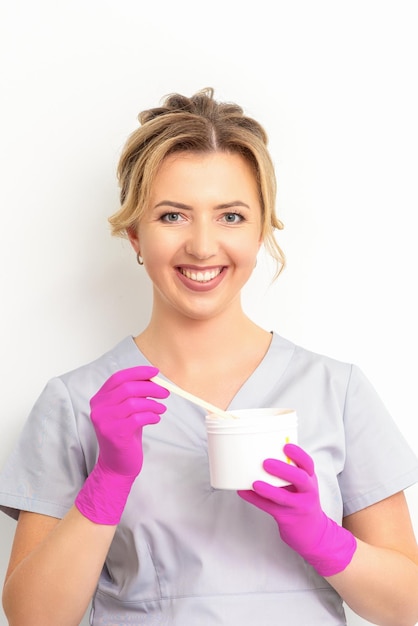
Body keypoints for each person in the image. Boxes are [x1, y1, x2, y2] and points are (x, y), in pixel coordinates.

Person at [1, 88, 418, 626]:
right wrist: (108, 482)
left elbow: (409, 606)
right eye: (173, 216)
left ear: (262, 228)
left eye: (231, 216)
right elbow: (34, 618)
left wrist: (321, 536)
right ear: (134, 235)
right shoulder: (76, 402)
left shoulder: (336, 391)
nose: (202, 246)